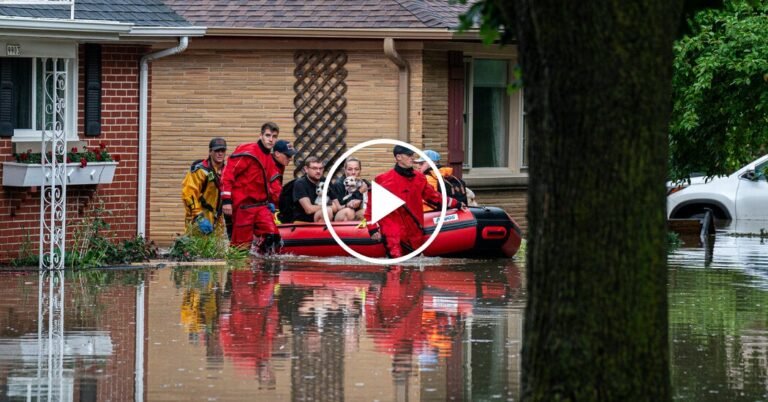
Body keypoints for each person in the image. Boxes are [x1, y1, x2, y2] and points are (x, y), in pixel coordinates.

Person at [365, 145, 467, 258]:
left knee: (414, 267)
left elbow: (434, 197)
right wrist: (372, 229)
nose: (412, 158)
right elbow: (371, 208)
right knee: (395, 264)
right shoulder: (383, 180)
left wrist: (456, 204)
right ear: (398, 157)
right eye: (409, 155)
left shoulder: (419, 178)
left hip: (414, 229)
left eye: (412, 155)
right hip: (392, 230)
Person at [220, 122, 282, 253]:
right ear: (261, 136)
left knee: (273, 237)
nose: (271, 139)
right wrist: (226, 200)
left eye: (274, 136)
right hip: (243, 206)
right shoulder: (248, 152)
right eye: (268, 135)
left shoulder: (269, 160)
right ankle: (239, 270)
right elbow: (228, 174)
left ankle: (263, 269)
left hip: (261, 206)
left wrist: (280, 203)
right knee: (240, 248)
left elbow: (274, 186)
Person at [181, 137, 227, 235]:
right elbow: (189, 194)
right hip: (199, 220)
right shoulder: (200, 171)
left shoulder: (227, 172)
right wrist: (199, 217)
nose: (220, 153)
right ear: (210, 152)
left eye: (222, 150)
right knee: (195, 249)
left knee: (216, 250)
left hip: (218, 222)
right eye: (217, 150)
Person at [292, 156, 334, 223]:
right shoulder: (300, 183)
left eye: (321, 168)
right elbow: (309, 209)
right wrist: (328, 206)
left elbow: (336, 206)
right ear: (306, 169)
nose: (318, 171)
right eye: (314, 168)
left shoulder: (326, 181)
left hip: (324, 217)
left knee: (347, 212)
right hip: (304, 221)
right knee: (327, 210)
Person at [330, 157, 369, 221]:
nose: (353, 172)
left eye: (356, 169)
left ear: (360, 170)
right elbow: (341, 204)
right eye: (350, 169)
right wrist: (359, 192)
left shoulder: (363, 183)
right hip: (341, 213)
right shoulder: (339, 184)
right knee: (349, 212)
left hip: (357, 212)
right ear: (345, 171)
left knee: (365, 212)